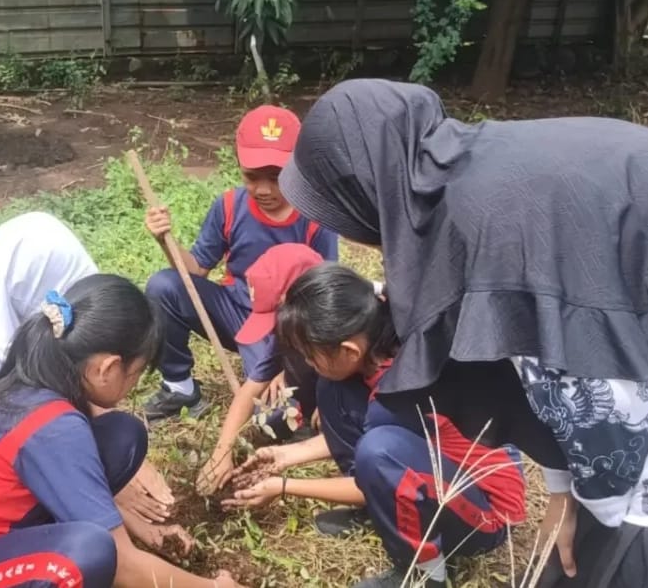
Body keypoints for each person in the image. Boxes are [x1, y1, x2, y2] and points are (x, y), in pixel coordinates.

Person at [279, 78, 648, 588]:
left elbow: (594, 379)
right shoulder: (452, 185)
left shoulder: (479, 230)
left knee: (604, 561)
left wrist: (605, 515)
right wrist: (564, 487)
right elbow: (543, 359)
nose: (344, 230)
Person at [0, 274, 246, 588]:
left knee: (121, 435)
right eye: (136, 375)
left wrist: (141, 529)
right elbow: (124, 566)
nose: (132, 388)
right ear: (107, 368)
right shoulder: (54, 429)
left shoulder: (22, 387)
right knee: (86, 553)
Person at [224, 259, 530, 588]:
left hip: (487, 510)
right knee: (334, 390)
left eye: (310, 354)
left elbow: (380, 464)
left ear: (348, 349)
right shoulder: (380, 336)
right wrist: (286, 456)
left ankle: (426, 573)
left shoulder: (398, 395)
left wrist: (284, 486)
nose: (309, 363)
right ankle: (381, 511)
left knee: (377, 451)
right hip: (436, 465)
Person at [0, 211, 174, 528]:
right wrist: (116, 505)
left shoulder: (19, 332)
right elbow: (52, 455)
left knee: (117, 438)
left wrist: (129, 472)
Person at [142, 105, 338, 494]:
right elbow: (195, 271)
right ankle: (180, 388)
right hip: (236, 311)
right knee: (164, 286)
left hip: (285, 327)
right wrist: (165, 239)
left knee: (274, 414)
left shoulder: (316, 217)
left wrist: (288, 364)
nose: (263, 189)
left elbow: (323, 300)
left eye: (276, 177)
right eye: (252, 177)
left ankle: (297, 392)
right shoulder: (230, 207)